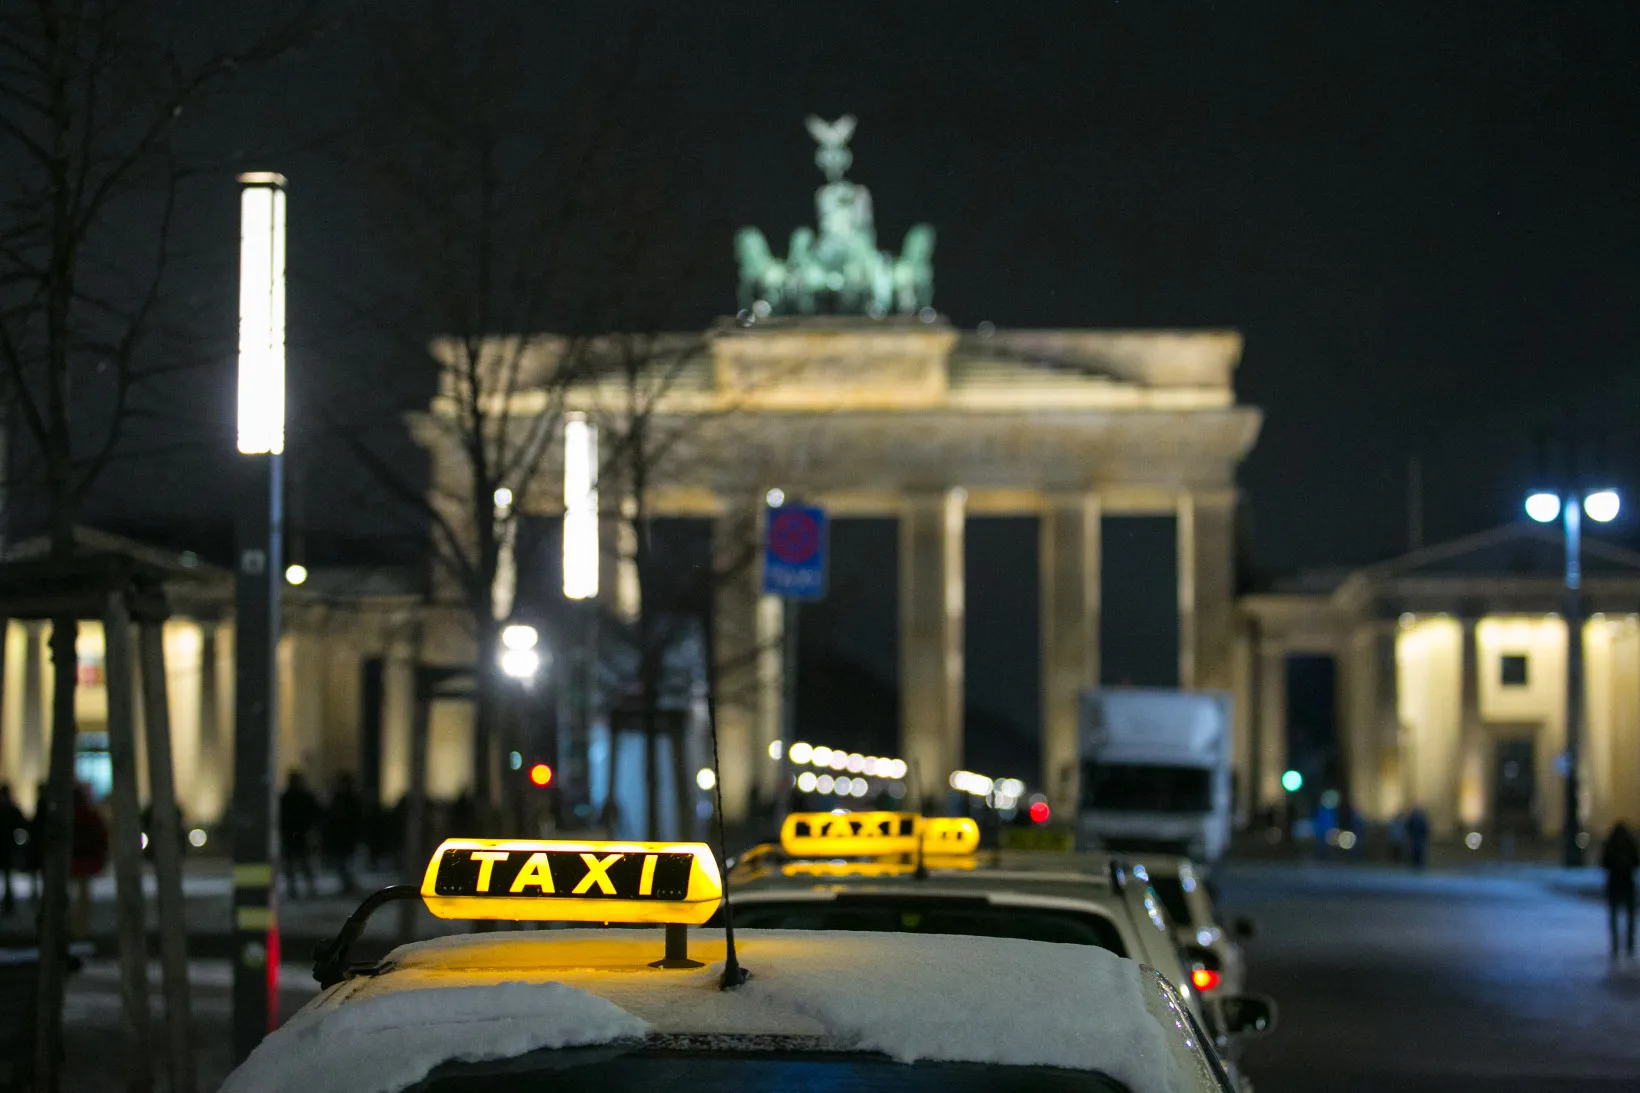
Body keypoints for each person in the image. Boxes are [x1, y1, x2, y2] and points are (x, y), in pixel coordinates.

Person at [69, 783, 109, 939]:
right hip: (84, 860)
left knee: (75, 897)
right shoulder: (89, 815)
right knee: (82, 897)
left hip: (76, 861)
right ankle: (81, 927)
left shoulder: (72, 816)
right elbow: (101, 836)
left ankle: (76, 927)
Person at [279, 771, 323, 899]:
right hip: (295, 835)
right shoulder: (297, 797)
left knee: (301, 864)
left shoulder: (293, 797)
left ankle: (304, 888)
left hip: (297, 835)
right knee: (298, 865)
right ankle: (302, 888)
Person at [1600, 821, 1638, 959]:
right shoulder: (1630, 844)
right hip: (1627, 884)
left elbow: (1604, 863)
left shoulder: (1610, 844)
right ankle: (1629, 945)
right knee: (1630, 917)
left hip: (1614, 885)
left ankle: (1616, 946)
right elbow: (1636, 862)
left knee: (1614, 916)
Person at [323, 772, 363, 896]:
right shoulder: (340, 799)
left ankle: (349, 886)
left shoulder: (350, 800)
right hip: (341, 838)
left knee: (346, 864)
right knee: (342, 864)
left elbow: (356, 819)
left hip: (347, 837)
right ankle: (348, 886)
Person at [0, 786, 26, 915]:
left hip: (7, 849)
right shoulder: (11, 810)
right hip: (7, 848)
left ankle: (9, 904)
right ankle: (8, 904)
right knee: (7, 877)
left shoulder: (11, 810)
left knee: (7, 877)